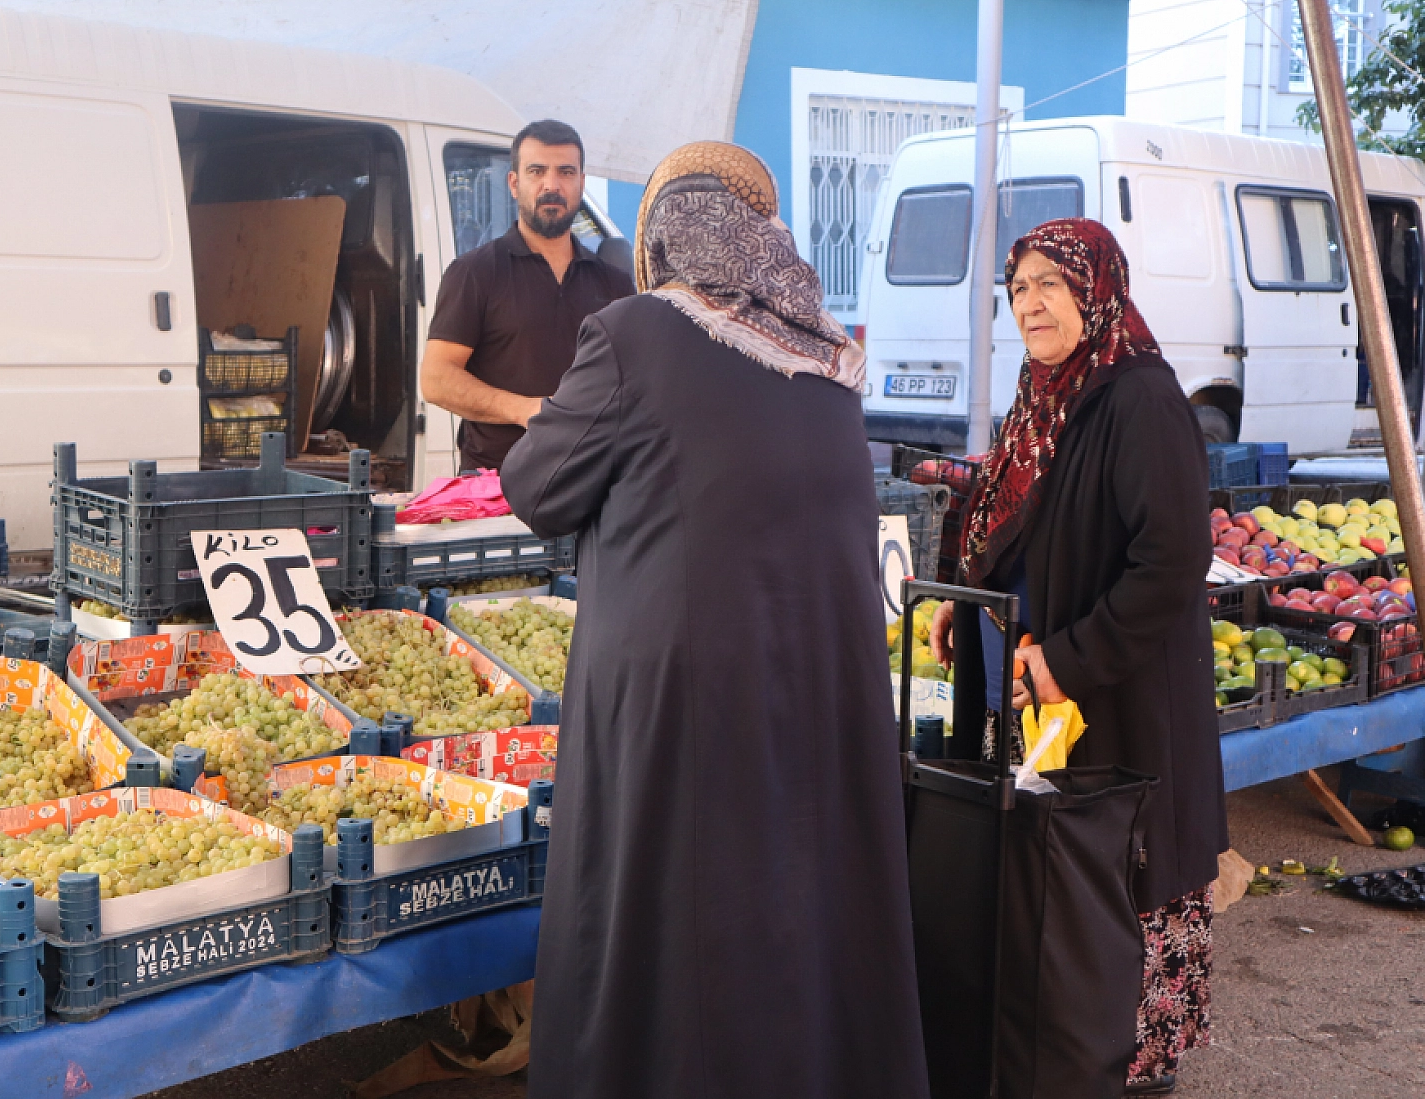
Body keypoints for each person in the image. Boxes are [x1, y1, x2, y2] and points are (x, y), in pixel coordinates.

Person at [502, 142, 928, 1099]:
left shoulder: (634, 333)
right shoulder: (826, 353)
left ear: (664, 237)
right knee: (795, 915)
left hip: (683, 701)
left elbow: (536, 484)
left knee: (672, 923)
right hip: (819, 691)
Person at [930, 218, 1227, 1096]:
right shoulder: (1042, 392)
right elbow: (1005, 516)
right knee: (1059, 857)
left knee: (1121, 862)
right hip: (1034, 680)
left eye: (1050, 284)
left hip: (1117, 693)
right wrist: (962, 595)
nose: (1030, 303)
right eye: (1018, 288)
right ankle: (1058, 1043)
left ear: (1096, 291)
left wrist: (1069, 659)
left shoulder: (1138, 396)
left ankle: (1130, 1063)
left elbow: (1171, 558)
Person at [422, 119, 635, 474]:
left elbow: (635, 382)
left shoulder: (613, 283)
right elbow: (436, 379)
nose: (552, 185)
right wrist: (525, 410)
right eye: (537, 171)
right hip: (498, 485)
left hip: (593, 483)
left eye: (566, 172)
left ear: (582, 184)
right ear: (514, 183)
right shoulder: (476, 273)